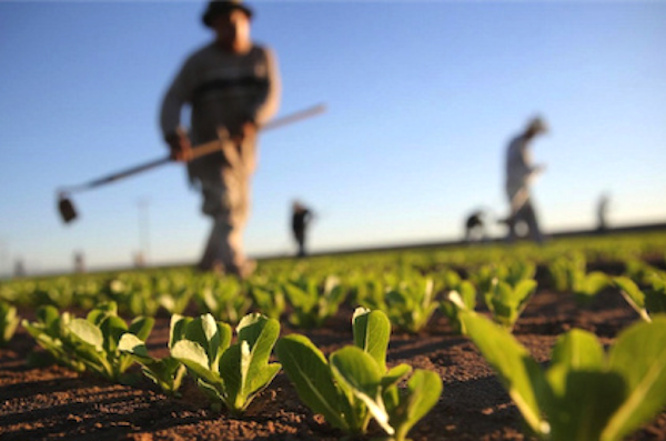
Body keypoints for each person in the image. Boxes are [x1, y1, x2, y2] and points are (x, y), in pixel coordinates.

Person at [160, 0, 280, 277]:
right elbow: (173, 99)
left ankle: (206, 265)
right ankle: (235, 265)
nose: (231, 27)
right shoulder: (198, 62)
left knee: (239, 209)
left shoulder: (262, 56)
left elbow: (270, 95)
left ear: (247, 21)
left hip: (244, 151)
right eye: (223, 22)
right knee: (225, 205)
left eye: (235, 20)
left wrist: (253, 118)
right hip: (208, 149)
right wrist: (173, 134)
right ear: (213, 26)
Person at [504, 116, 548, 243]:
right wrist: (534, 169)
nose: (536, 135)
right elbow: (517, 166)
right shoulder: (517, 143)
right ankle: (510, 244)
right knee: (516, 216)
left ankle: (539, 242)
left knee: (530, 214)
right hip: (515, 186)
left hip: (523, 187)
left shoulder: (524, 144)